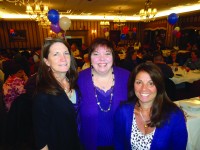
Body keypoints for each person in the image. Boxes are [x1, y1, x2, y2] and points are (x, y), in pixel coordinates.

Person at [114, 62, 188, 150]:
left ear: (159, 86)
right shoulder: (123, 111)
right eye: (139, 82)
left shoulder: (174, 116)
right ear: (133, 85)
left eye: (151, 83)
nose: (144, 88)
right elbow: (119, 145)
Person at [77, 38, 130, 150]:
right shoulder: (79, 80)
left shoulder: (127, 77)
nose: (102, 59)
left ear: (113, 56)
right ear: (89, 57)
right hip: (88, 144)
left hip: (121, 143)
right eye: (96, 54)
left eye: (107, 53)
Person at [32, 38, 80, 150]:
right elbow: (41, 140)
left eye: (66, 53)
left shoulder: (75, 84)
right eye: (56, 54)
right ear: (47, 61)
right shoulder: (42, 94)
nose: (63, 58)